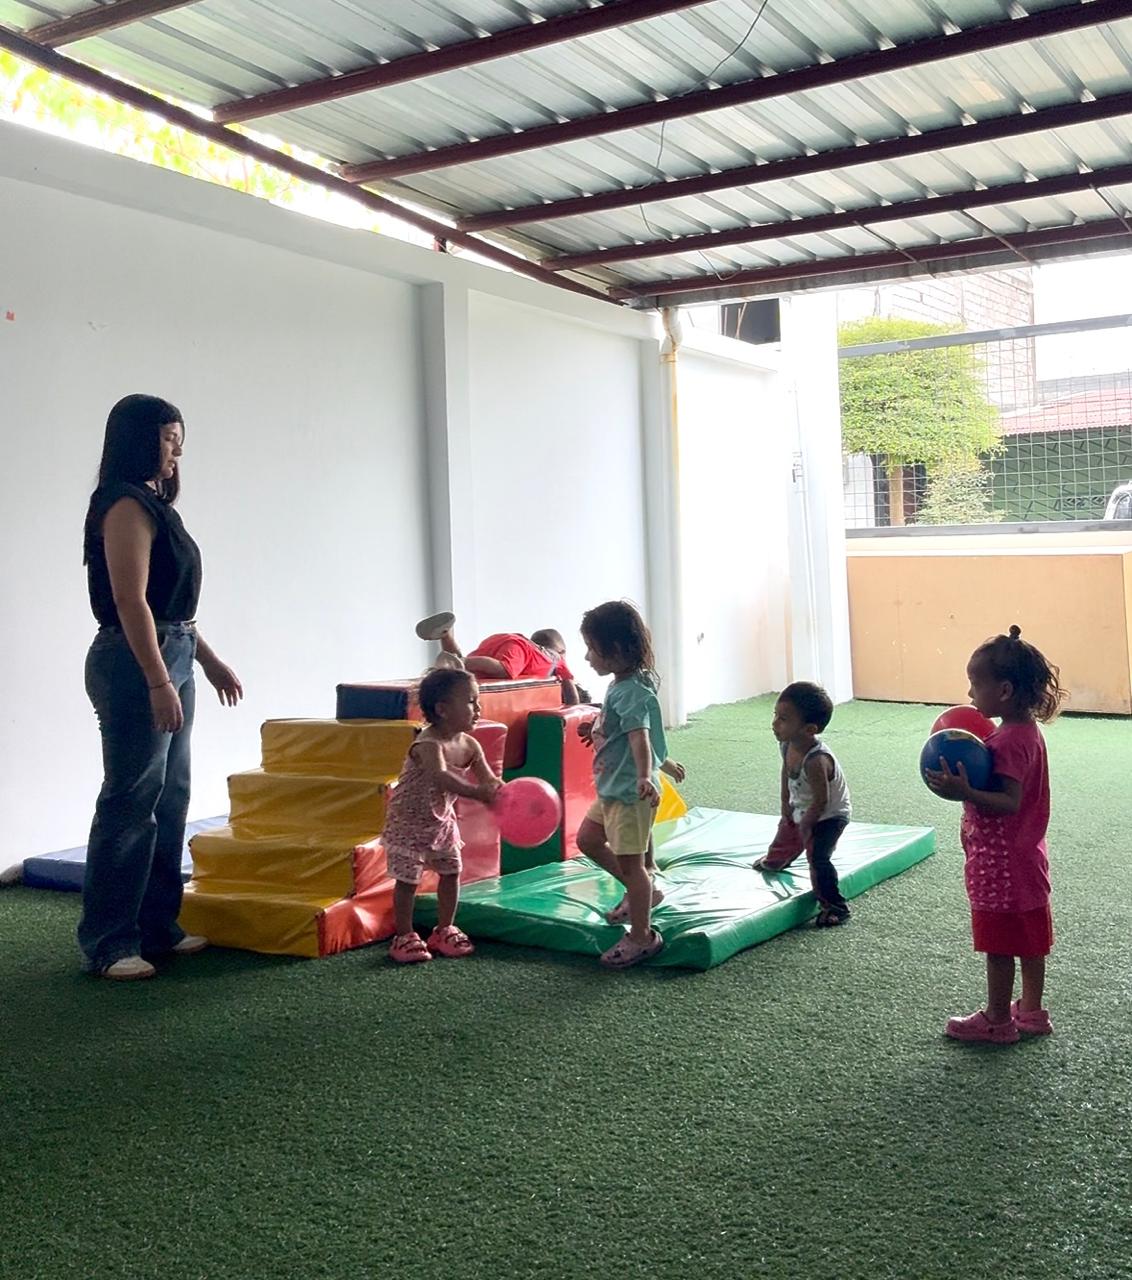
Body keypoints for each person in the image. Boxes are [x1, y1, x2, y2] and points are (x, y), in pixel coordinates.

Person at [79, 394, 243, 980]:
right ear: (140, 440)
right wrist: (156, 679)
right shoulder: (123, 504)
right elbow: (131, 601)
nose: (177, 452)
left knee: (171, 796)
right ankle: (109, 941)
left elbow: (171, 608)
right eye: (170, 439)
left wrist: (207, 660)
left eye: (179, 441)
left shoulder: (154, 505)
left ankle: (157, 928)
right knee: (131, 799)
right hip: (132, 661)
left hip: (172, 650)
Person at [926, 625, 1065, 1044]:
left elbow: (1009, 800)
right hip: (1026, 858)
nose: (969, 695)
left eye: (975, 684)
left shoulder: (1005, 743)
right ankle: (1032, 1012)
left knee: (1000, 946)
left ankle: (997, 1020)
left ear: (1004, 691)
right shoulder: (1026, 733)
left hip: (1000, 865)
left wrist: (964, 791)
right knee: (1031, 941)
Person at [575, 600, 679, 969]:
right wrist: (596, 729)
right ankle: (641, 894)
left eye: (592, 648)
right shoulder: (625, 684)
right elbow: (627, 728)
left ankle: (642, 937)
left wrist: (645, 775)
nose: (587, 657)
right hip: (612, 789)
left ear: (616, 650)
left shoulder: (631, 690)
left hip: (629, 794)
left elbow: (640, 736)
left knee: (634, 866)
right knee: (587, 840)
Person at [382, 667, 503, 964]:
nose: (479, 708)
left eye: (478, 701)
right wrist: (476, 793)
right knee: (408, 881)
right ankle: (405, 935)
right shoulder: (428, 743)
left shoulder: (470, 745)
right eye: (471, 701)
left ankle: (444, 929)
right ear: (443, 710)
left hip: (441, 822)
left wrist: (505, 796)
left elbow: (489, 780)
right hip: (408, 823)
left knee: (451, 872)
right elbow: (441, 777)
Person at [752, 682, 853, 927]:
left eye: (783, 719)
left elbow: (822, 799)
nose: (775, 723)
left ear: (809, 729)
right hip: (804, 806)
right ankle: (776, 860)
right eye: (775, 715)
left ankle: (835, 907)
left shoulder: (817, 760)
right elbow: (786, 772)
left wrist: (807, 823)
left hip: (829, 816)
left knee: (818, 858)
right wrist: (785, 803)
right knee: (786, 833)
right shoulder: (787, 744)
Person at [415, 611, 580, 705]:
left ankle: (446, 635)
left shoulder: (534, 651)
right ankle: (460, 662)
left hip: (496, 640)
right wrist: (575, 708)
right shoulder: (556, 658)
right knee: (505, 669)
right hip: (518, 646)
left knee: (463, 672)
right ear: (561, 650)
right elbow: (570, 691)